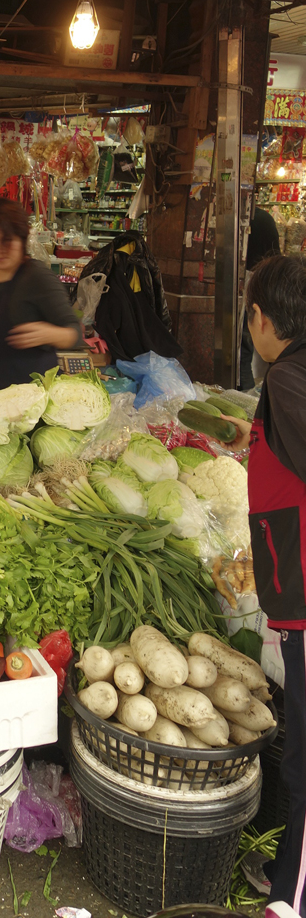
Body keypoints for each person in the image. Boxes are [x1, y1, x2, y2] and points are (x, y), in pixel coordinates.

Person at [218, 255, 306, 916]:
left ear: (259, 318)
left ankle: (288, 895)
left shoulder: (288, 380)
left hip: (304, 596)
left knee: (302, 747)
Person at [0, 199, 81, 432]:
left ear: (22, 239)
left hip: (24, 410)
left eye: (8, 241)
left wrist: (49, 333)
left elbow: (75, 334)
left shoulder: (37, 277)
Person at [240, 204, 281, 390]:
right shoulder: (266, 218)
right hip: (268, 283)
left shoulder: (244, 221)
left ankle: (247, 390)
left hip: (250, 284)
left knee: (245, 348)